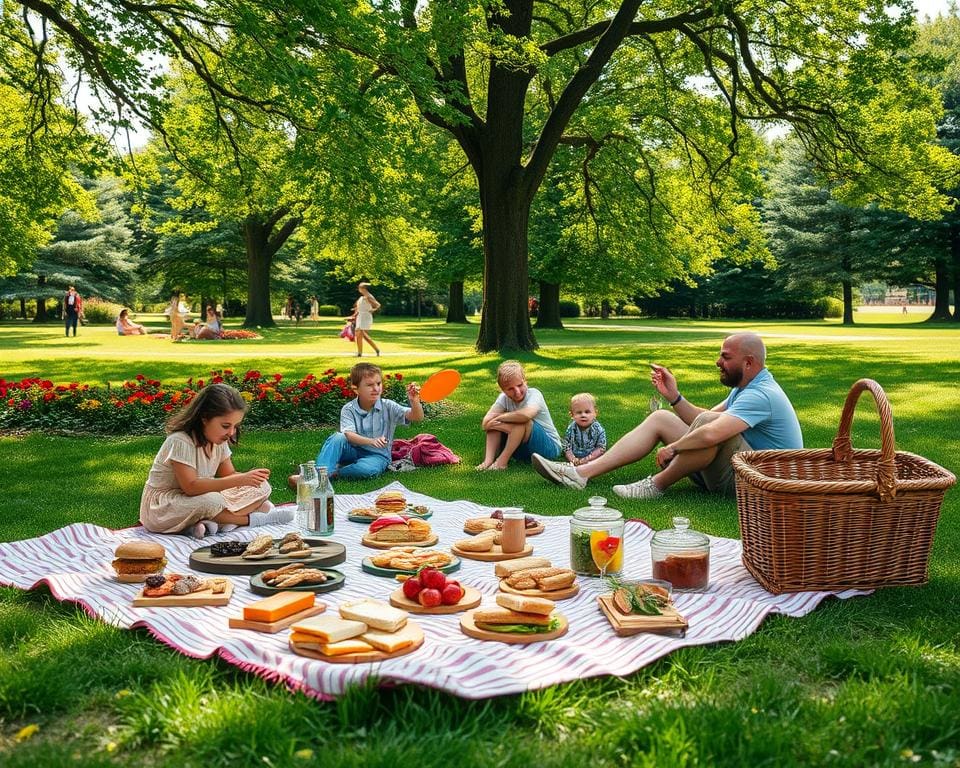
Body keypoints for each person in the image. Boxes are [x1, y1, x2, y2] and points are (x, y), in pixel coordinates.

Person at [532, 332, 802, 499]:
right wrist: (674, 396)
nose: (718, 362)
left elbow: (710, 431)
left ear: (749, 363)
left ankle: (655, 486)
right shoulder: (748, 386)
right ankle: (581, 474)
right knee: (662, 418)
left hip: (756, 484)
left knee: (710, 427)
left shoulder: (761, 394)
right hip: (736, 470)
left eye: (725, 357)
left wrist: (673, 448)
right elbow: (702, 416)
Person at [139, 383, 293, 538]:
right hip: (165, 506)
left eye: (235, 426)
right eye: (226, 426)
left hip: (198, 497)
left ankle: (206, 524)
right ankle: (251, 520)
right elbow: (190, 487)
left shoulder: (218, 440)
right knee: (213, 500)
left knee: (262, 487)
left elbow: (229, 474)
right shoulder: (180, 441)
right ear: (205, 418)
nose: (231, 433)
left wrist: (249, 479)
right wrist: (241, 479)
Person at [312, 362, 423, 479]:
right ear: (356, 389)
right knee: (337, 438)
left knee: (367, 470)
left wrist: (414, 401)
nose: (376, 388)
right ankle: (320, 475)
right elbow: (349, 435)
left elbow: (416, 417)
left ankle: (333, 473)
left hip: (377, 455)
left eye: (378, 383)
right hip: (351, 450)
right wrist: (371, 441)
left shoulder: (388, 406)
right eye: (369, 385)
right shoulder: (349, 409)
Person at [476, 360, 562, 471]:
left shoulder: (534, 394)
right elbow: (485, 423)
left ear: (525, 381)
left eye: (520, 385)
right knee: (494, 425)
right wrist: (493, 423)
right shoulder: (503, 398)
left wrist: (499, 418)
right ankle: (488, 461)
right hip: (524, 449)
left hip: (550, 448)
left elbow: (525, 415)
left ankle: (502, 462)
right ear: (502, 390)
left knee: (522, 422)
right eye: (510, 389)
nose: (517, 391)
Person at [563, 393, 607, 466]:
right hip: (575, 454)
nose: (583, 415)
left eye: (587, 412)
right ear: (572, 415)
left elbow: (601, 448)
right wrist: (572, 458)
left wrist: (586, 459)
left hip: (592, 456)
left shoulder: (598, 429)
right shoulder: (571, 428)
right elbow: (566, 446)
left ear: (595, 413)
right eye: (579, 412)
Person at [353, 281, 381, 357]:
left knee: (359, 334)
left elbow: (378, 305)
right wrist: (354, 314)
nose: (358, 289)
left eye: (359, 287)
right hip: (360, 316)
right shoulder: (362, 297)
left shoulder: (368, 296)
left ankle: (359, 353)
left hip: (365, 317)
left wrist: (373, 310)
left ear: (363, 288)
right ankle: (377, 349)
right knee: (363, 336)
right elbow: (358, 307)